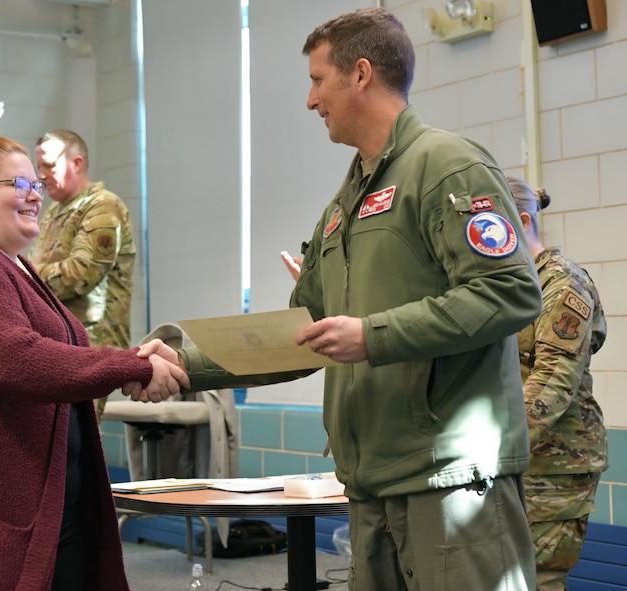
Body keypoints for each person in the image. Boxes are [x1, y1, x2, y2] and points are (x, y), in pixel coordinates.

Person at [135, 8, 544, 590]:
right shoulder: (342, 207)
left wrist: (372, 336)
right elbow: (302, 335)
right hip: (371, 482)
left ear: (360, 74)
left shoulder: (448, 166)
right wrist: (185, 365)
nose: (310, 100)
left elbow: (510, 292)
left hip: (451, 481)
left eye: (317, 80)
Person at [0, 136, 188, 591]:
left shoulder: (15, 266)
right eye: (19, 183)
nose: (35, 194)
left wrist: (137, 362)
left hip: (30, 503)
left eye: (36, 185)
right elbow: (14, 359)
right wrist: (133, 366)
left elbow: (53, 353)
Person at [508, 176, 608, 591]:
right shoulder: (505, 285)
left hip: (554, 465)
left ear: (522, 221)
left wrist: (494, 448)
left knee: (537, 580)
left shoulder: (562, 282)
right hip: (514, 460)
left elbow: (553, 379)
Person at [30, 129, 136, 422]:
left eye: (49, 165)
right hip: (59, 343)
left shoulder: (102, 206)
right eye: (39, 167)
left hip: (91, 346)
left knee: (74, 438)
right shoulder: (53, 213)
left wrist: (24, 276)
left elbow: (79, 276)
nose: (41, 175)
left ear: (76, 163)